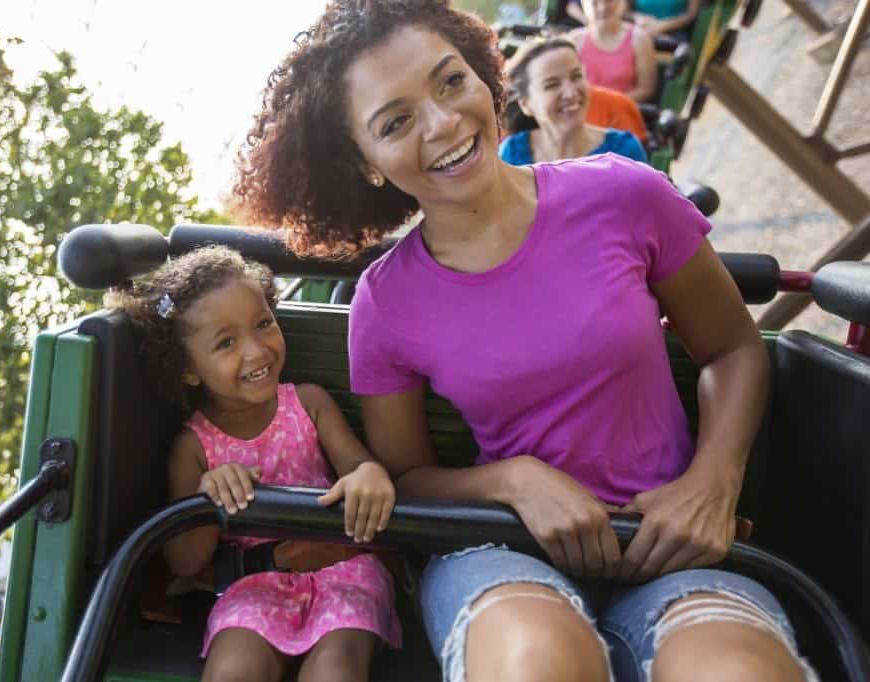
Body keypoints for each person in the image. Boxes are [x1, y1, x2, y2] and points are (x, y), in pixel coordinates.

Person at [233, 2, 818, 681]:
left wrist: (714, 480)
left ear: (485, 77)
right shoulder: (385, 303)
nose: (444, 122)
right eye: (396, 122)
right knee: (532, 665)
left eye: (451, 82)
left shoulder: (625, 195)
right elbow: (410, 481)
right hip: (502, 551)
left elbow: (733, 348)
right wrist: (515, 482)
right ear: (365, 164)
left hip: (666, 545)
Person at [105, 246, 402, 682]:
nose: (257, 351)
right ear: (189, 369)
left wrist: (370, 474)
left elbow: (360, 467)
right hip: (255, 584)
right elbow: (185, 563)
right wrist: (210, 499)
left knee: (335, 669)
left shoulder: (309, 403)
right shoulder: (193, 446)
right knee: (233, 668)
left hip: (343, 570)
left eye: (263, 324)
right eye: (227, 343)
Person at [500, 37, 647, 165]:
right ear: (526, 104)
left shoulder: (624, 151)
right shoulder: (511, 154)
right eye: (552, 85)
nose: (570, 93)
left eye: (576, 76)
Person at [571, 0, 657, 102]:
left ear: (623, 3)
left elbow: (646, 89)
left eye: (609, 1)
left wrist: (609, 105)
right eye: (594, 3)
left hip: (623, 111)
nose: (602, 8)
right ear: (584, 5)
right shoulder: (574, 40)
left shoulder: (640, 38)